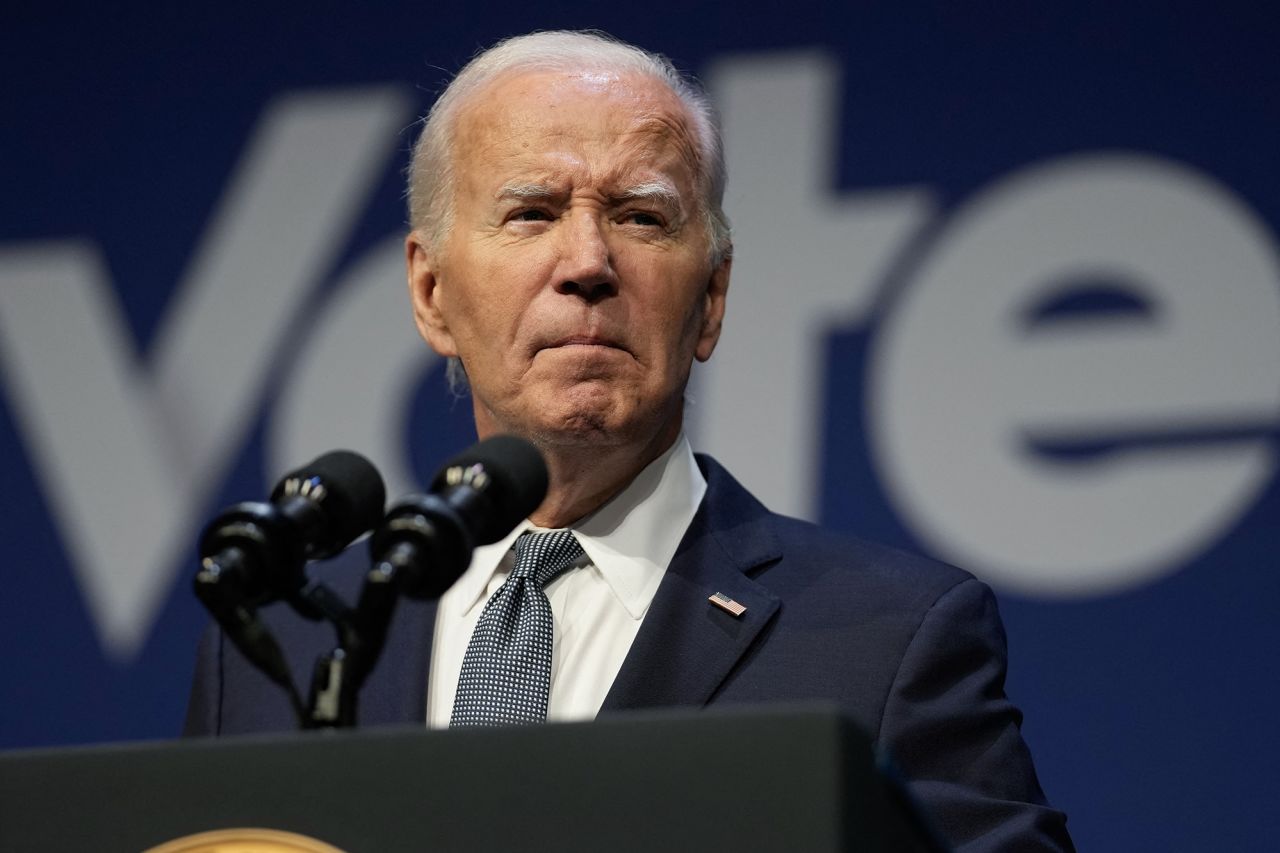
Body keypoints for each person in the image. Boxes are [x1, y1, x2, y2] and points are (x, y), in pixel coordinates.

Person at [186, 30, 1074, 851]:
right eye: (531, 212)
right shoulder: (279, 647)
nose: (587, 263)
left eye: (641, 218)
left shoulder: (888, 640)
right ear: (430, 293)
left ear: (712, 298)